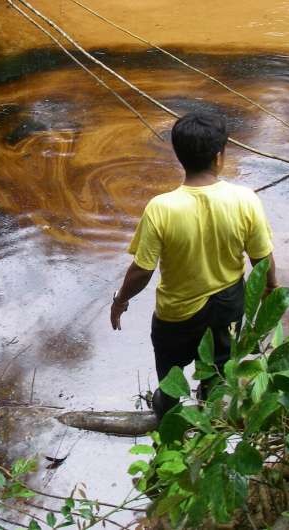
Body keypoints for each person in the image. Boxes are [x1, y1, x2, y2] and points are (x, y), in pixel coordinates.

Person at [109, 111, 278, 418]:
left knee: (171, 378)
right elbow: (262, 260)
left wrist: (120, 301)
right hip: (228, 306)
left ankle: (168, 419)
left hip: (176, 316)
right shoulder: (245, 199)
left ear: (178, 154)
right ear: (219, 156)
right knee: (217, 369)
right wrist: (270, 291)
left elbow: (142, 270)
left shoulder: (161, 208)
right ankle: (209, 419)